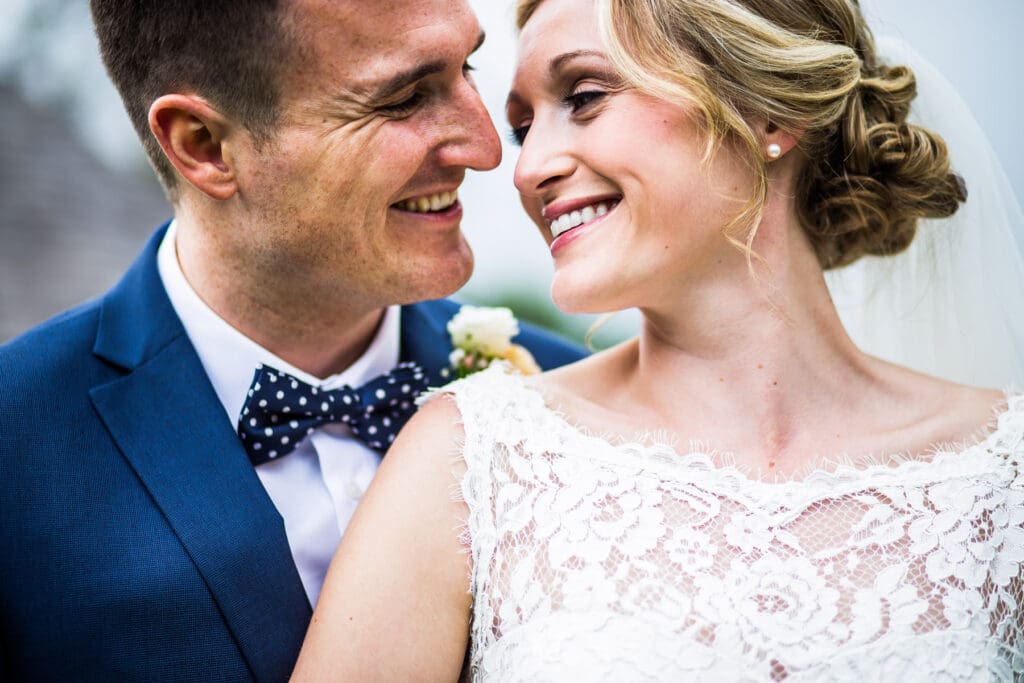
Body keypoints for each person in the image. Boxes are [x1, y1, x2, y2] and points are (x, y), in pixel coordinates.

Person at [291, 0, 1024, 680]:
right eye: (524, 128)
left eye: (584, 97)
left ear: (767, 112)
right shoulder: (471, 458)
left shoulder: (1004, 476)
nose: (528, 169)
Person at [0, 0, 585, 680]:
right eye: (403, 99)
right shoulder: (16, 442)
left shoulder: (580, 408)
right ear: (203, 144)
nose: (488, 150)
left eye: (469, 68)